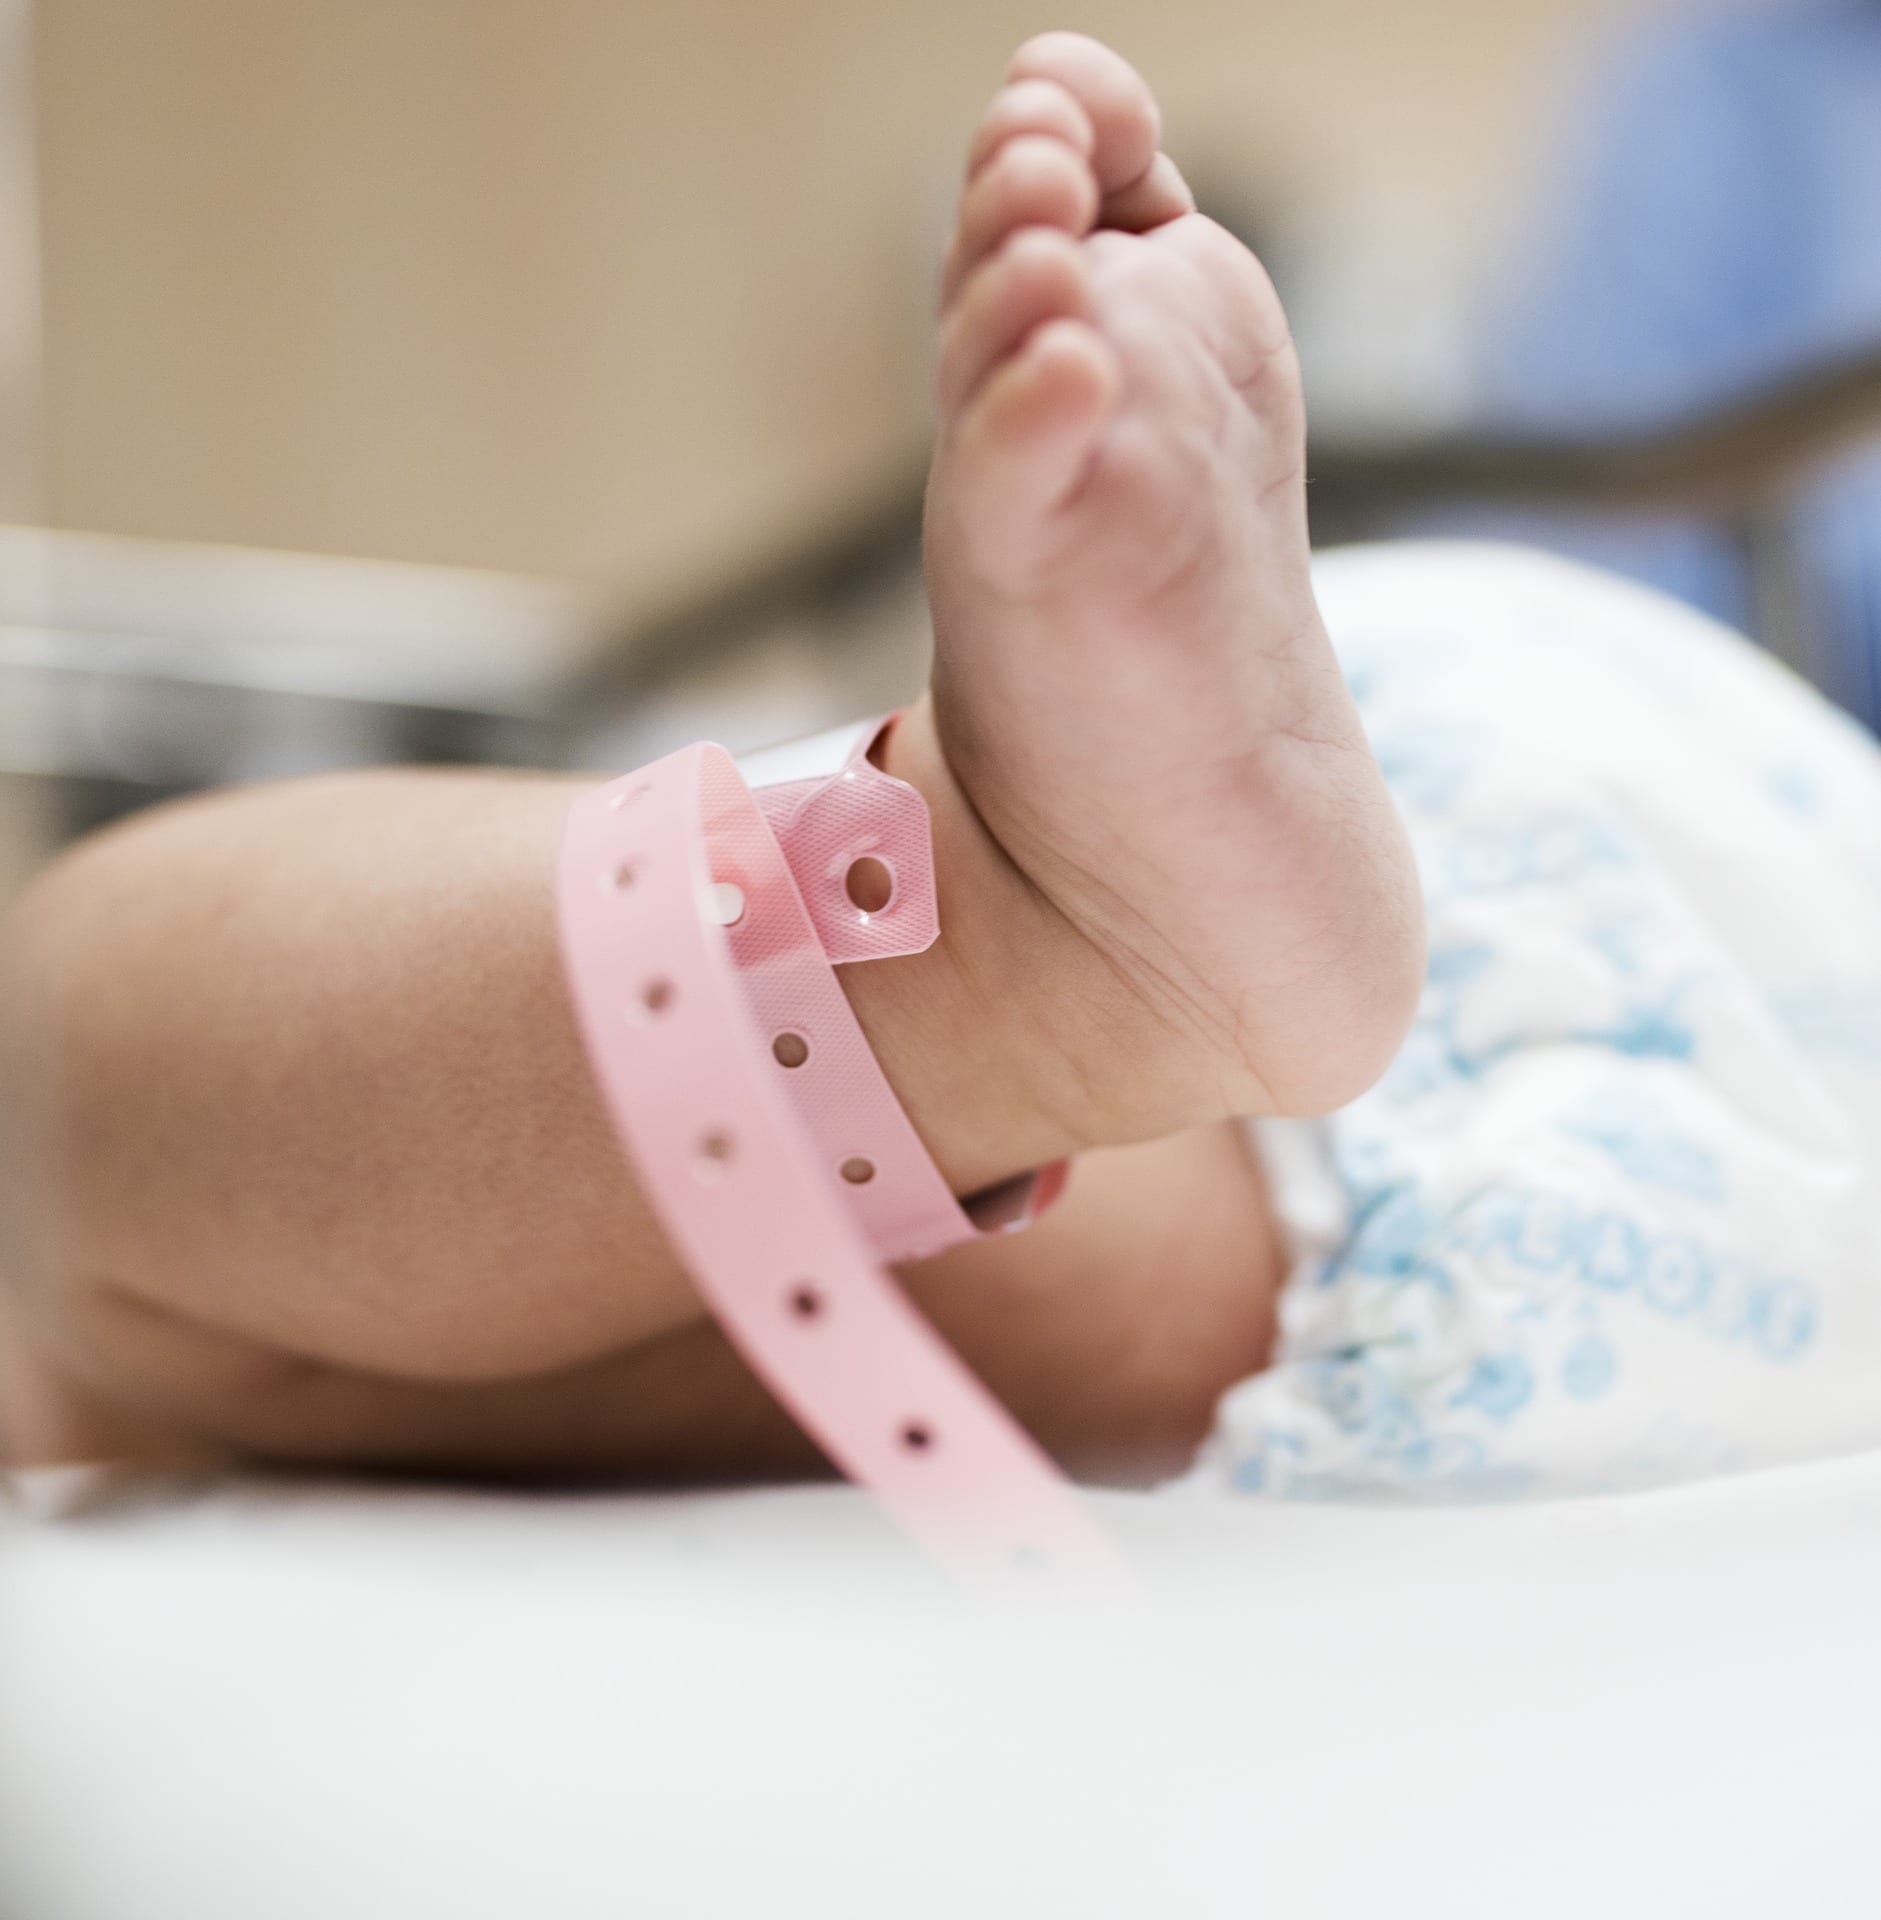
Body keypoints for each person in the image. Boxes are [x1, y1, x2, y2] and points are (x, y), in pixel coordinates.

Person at [4, 35, 1880, 1503]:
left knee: (67, 1136)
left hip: (1593, 802)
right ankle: (978, 960)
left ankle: (979, 950)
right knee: (79, 1126)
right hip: (1713, 947)